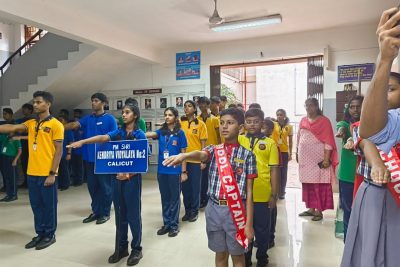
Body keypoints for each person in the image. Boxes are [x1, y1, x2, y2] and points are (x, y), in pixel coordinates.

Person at [341, 8, 400, 266]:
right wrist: (384, 59)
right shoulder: (387, 121)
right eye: (385, 88)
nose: (387, 95)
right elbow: (370, 136)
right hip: (380, 193)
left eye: (392, 89)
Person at [163, 108, 256, 267]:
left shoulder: (248, 155)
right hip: (214, 210)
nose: (224, 127)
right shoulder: (214, 150)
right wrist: (184, 155)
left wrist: (248, 224)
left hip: (236, 212)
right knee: (220, 254)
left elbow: (249, 191)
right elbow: (201, 154)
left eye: (230, 123)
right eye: (221, 123)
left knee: (238, 257)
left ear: (240, 128)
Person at [68, 103, 146, 266]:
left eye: (127, 112)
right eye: (122, 112)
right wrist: (83, 142)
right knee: (119, 214)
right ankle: (121, 247)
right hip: (116, 179)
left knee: (133, 215)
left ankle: (137, 249)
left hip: (132, 181)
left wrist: (128, 174)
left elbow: (142, 160)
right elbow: (103, 138)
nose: (123, 115)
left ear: (135, 116)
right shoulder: (119, 132)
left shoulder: (140, 135)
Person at [0, 91, 64, 250]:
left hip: (46, 174)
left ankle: (50, 234)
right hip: (32, 173)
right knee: (36, 205)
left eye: (38, 102)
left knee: (49, 205)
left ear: (48, 104)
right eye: (34, 102)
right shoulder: (31, 123)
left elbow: (59, 151)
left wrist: (52, 173)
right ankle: (40, 233)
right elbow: (12, 127)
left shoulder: (56, 124)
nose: (35, 105)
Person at [64, 93, 117, 225]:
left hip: (104, 159)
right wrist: (59, 127)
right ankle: (96, 211)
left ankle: (105, 212)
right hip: (89, 158)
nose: (93, 103)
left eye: (96, 101)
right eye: (92, 101)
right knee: (92, 187)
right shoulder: (88, 118)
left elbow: (113, 137)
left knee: (105, 187)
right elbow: (75, 125)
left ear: (103, 103)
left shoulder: (110, 119)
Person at [240, 109, 279, 267]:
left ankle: (262, 256)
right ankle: (246, 257)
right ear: (244, 123)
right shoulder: (239, 140)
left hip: (262, 193)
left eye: (256, 121)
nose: (252, 125)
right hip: (242, 193)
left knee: (262, 229)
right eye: (249, 121)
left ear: (262, 123)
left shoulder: (270, 143)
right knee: (244, 228)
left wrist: (274, 195)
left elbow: (274, 170)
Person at [145, 107, 187, 237]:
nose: (167, 117)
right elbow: (150, 134)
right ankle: (167, 224)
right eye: (165, 115)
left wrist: (184, 171)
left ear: (175, 117)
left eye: (170, 115)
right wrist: (136, 132)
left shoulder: (180, 133)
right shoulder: (161, 132)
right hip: (162, 171)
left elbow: (183, 153)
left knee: (174, 198)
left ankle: (174, 225)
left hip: (175, 171)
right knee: (165, 198)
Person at [297, 98, 338, 221]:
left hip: (318, 159)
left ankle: (319, 211)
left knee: (319, 184)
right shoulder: (303, 120)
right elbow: (299, 136)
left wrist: (326, 159)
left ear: (316, 106)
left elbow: (329, 141)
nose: (308, 108)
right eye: (306, 106)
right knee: (307, 183)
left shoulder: (324, 121)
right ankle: (310, 208)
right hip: (305, 159)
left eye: (311, 106)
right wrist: (296, 152)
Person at [335, 95, 363, 240]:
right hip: (347, 176)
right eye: (352, 107)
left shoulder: (369, 126)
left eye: (358, 106)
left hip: (365, 176)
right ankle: (349, 243)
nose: (355, 109)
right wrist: (341, 133)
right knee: (348, 210)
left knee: (363, 212)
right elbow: (341, 129)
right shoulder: (345, 124)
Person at [180, 100, 207, 222]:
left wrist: (203, 161)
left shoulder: (201, 124)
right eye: (185, 106)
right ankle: (187, 211)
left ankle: (194, 211)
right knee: (185, 188)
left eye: (189, 106)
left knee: (195, 187)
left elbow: (203, 144)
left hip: (196, 161)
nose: (186, 108)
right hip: (183, 159)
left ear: (194, 109)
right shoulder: (180, 122)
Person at [197, 96, 221, 208]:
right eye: (200, 104)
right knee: (201, 177)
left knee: (211, 176)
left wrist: (221, 149)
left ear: (208, 105)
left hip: (214, 151)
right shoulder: (197, 119)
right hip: (201, 151)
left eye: (204, 104)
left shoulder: (215, 119)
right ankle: (202, 198)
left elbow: (218, 136)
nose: (201, 106)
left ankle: (209, 198)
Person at [271, 109, 293, 200]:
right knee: (275, 171)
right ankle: (274, 191)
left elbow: (290, 141)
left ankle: (282, 192)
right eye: (278, 114)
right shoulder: (273, 124)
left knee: (283, 172)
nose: (279, 116)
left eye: (281, 114)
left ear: (284, 115)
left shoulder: (289, 126)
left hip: (284, 151)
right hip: (274, 151)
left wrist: (290, 153)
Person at [15, 103, 34, 187]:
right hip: (22, 144)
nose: (23, 110)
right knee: (24, 163)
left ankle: (31, 182)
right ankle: (25, 181)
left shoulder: (34, 120)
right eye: (23, 109)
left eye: (25, 109)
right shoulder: (20, 120)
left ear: (30, 110)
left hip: (31, 144)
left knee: (31, 164)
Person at [0, 131, 21, 202]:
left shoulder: (16, 139)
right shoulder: (4, 137)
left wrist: (15, 160)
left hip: (11, 158)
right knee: (6, 177)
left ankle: (14, 195)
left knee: (12, 177)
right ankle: (8, 194)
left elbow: (19, 151)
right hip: (4, 157)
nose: (8, 132)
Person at [57, 116, 74, 191]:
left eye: (61, 120)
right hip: (56, 154)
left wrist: (69, 153)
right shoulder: (57, 130)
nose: (59, 121)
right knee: (58, 170)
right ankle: (60, 184)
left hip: (64, 153)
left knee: (65, 170)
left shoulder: (67, 131)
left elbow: (71, 142)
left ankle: (65, 184)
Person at [70, 109, 84, 186]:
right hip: (73, 150)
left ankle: (79, 181)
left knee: (79, 167)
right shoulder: (72, 131)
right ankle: (75, 180)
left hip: (80, 151)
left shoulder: (82, 130)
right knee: (74, 166)